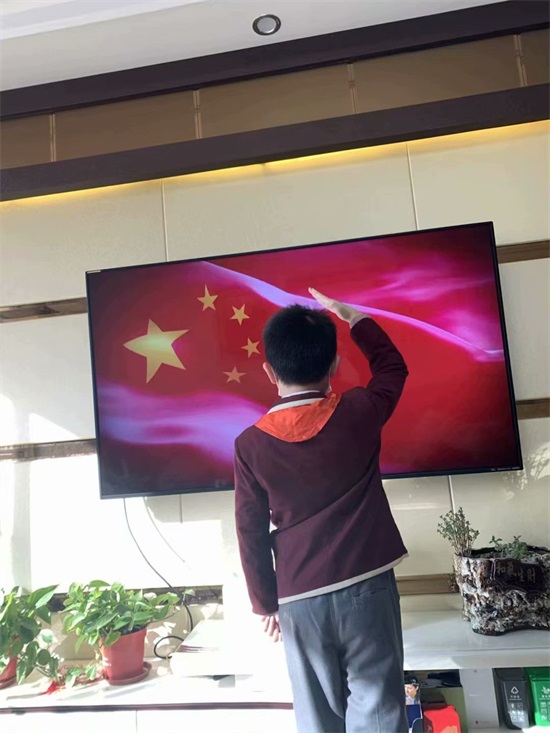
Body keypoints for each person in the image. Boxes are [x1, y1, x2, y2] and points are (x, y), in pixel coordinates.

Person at [234, 288, 409, 733]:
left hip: (299, 599)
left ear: (269, 370)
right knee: (379, 712)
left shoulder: (250, 444)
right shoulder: (360, 410)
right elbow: (392, 367)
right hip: (367, 585)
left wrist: (265, 603)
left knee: (317, 719)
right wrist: (356, 318)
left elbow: (250, 531)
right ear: (333, 365)